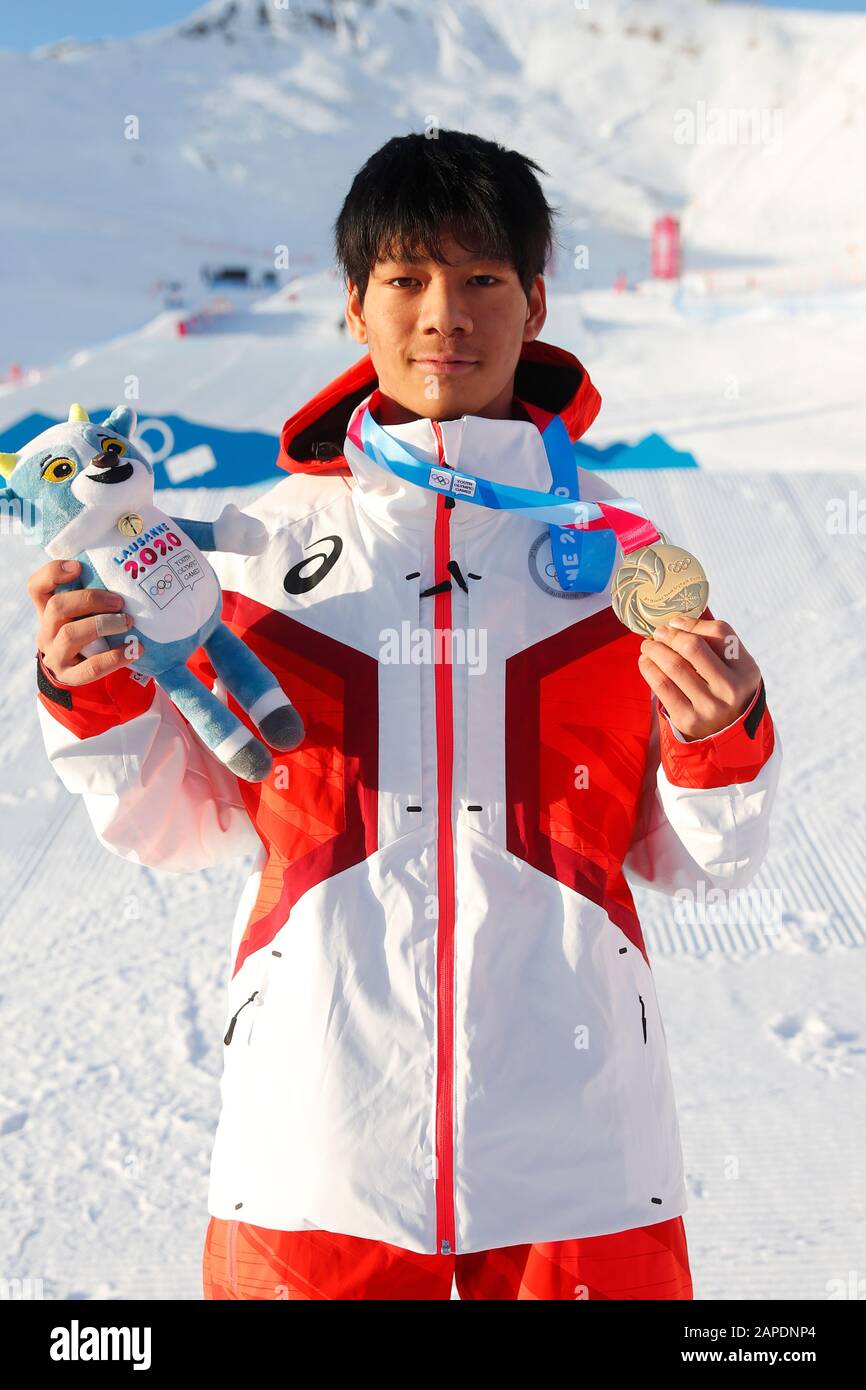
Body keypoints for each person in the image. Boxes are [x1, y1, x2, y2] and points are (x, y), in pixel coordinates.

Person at [30, 130, 781, 1301]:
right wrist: (94, 691)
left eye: (482, 278)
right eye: (407, 278)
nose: (445, 313)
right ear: (354, 305)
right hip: (314, 1159)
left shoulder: (625, 558)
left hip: (579, 1174)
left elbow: (701, 864)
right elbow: (179, 823)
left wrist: (716, 738)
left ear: (534, 302)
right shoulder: (260, 553)